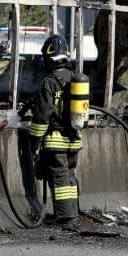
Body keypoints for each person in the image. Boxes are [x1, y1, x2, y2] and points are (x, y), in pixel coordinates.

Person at [29, 34, 83, 231]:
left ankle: (65, 216)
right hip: (74, 139)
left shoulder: (49, 82)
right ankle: (73, 212)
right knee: (69, 176)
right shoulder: (75, 78)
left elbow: (42, 117)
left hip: (55, 140)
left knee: (59, 178)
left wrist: (34, 143)